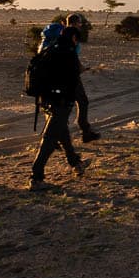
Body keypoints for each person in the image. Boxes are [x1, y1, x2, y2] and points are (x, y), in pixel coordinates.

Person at [30, 26, 88, 189]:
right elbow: (73, 80)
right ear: (74, 38)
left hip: (45, 100)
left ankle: (76, 163)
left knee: (62, 133)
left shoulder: (50, 49)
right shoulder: (68, 53)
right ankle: (36, 178)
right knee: (49, 139)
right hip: (61, 102)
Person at [65, 13, 101, 143]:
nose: (80, 26)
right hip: (70, 76)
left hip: (58, 76)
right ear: (75, 23)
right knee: (82, 102)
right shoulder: (72, 35)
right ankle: (85, 132)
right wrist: (81, 68)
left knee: (63, 106)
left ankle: (56, 135)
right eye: (79, 23)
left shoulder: (61, 34)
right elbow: (72, 56)